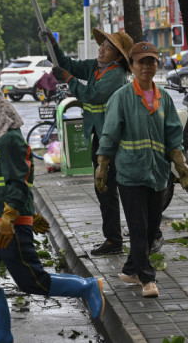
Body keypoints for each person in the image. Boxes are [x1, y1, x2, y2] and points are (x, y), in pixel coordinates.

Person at [0, 86, 103, 342]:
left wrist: (12, 217)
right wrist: (29, 212)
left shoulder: (10, 139)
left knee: (33, 281)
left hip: (7, 224)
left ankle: (87, 287)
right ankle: (1, 335)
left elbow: (19, 181)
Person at [96, 42, 188, 298]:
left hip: (157, 174)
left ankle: (130, 269)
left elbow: (173, 133)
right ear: (132, 66)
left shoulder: (164, 98)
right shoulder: (122, 97)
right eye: (141, 62)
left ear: (157, 64)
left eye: (151, 62)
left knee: (151, 230)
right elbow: (109, 133)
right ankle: (147, 279)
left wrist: (179, 162)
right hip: (129, 173)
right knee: (138, 227)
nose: (146, 67)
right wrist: (103, 166)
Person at [38, 27, 131, 256]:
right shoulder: (96, 67)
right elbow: (70, 64)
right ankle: (113, 238)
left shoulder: (115, 74)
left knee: (112, 189)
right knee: (103, 190)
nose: (102, 50)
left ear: (118, 57)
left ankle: (119, 239)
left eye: (108, 48)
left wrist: (68, 79)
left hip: (113, 139)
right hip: (99, 136)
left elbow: (91, 95)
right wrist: (53, 45)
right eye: (102, 45)